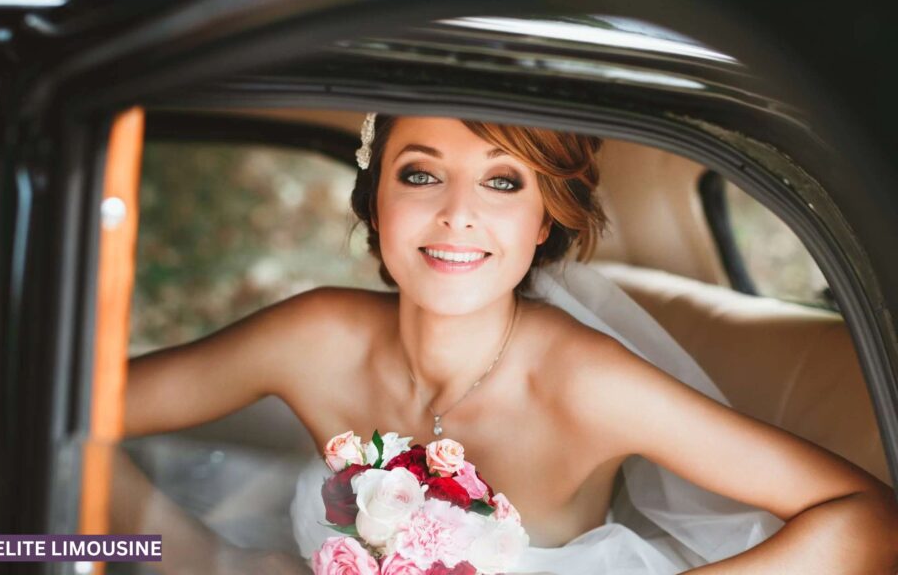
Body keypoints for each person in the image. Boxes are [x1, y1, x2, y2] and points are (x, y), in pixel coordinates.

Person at [123, 114, 898, 574]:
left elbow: (866, 517)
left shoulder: (582, 381)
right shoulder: (313, 336)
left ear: (544, 220)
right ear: (376, 201)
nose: (458, 214)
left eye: (502, 183)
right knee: (31, 538)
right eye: (421, 175)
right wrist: (11, 545)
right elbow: (72, 405)